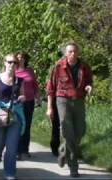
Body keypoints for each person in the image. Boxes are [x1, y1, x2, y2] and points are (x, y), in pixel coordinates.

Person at [46, 42, 93, 177]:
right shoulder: (58, 66)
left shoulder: (84, 66)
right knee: (67, 132)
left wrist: (89, 87)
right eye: (70, 51)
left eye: (75, 51)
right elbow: (50, 88)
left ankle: (63, 150)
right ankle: (74, 166)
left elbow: (89, 80)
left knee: (80, 130)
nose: (73, 54)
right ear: (65, 53)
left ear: (78, 52)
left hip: (79, 101)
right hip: (63, 101)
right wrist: (49, 107)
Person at [0, 53, 26, 180]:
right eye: (9, 62)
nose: (12, 65)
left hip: (15, 115)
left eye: (15, 62)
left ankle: (9, 173)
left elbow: (23, 95)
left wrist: (22, 98)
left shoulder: (20, 80)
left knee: (11, 147)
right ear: (4, 63)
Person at [15, 50, 41, 160]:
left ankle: (24, 150)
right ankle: (16, 150)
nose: (20, 59)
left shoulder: (29, 71)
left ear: (25, 59)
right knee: (17, 126)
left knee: (27, 126)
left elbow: (35, 85)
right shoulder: (13, 70)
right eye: (18, 57)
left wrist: (38, 98)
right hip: (16, 103)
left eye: (22, 57)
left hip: (29, 101)